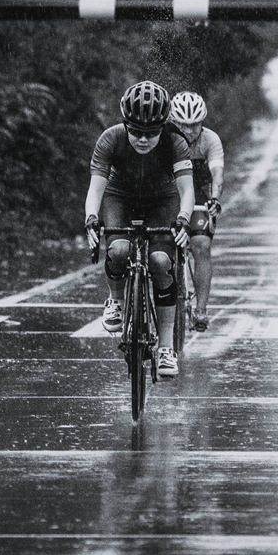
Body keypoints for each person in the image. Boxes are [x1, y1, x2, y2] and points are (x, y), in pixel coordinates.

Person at [84, 81, 194, 377]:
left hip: (163, 199)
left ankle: (167, 349)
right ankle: (116, 300)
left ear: (163, 127)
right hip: (121, 196)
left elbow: (186, 192)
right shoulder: (110, 139)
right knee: (118, 250)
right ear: (125, 123)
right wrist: (92, 218)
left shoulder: (176, 142)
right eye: (136, 132)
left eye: (151, 133)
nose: (143, 139)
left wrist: (183, 219)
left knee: (160, 262)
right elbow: (96, 190)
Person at [167, 91, 224, 332]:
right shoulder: (164, 138)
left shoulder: (210, 140)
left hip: (199, 196)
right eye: (183, 125)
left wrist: (214, 198)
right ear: (173, 122)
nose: (190, 131)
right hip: (169, 194)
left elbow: (217, 174)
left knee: (201, 244)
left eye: (195, 125)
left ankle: (201, 309)